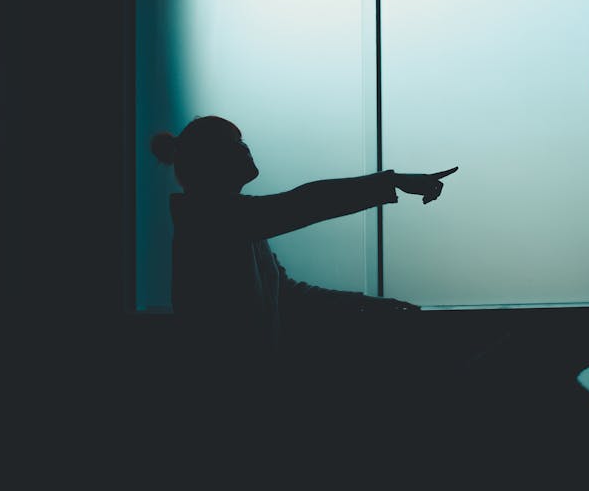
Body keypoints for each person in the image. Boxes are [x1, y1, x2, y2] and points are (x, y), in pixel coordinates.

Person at [149, 115, 458, 367]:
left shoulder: (232, 220)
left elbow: (285, 292)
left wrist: (368, 305)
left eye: (242, 141)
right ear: (210, 160)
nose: (245, 148)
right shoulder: (211, 217)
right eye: (234, 143)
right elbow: (304, 203)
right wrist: (395, 181)